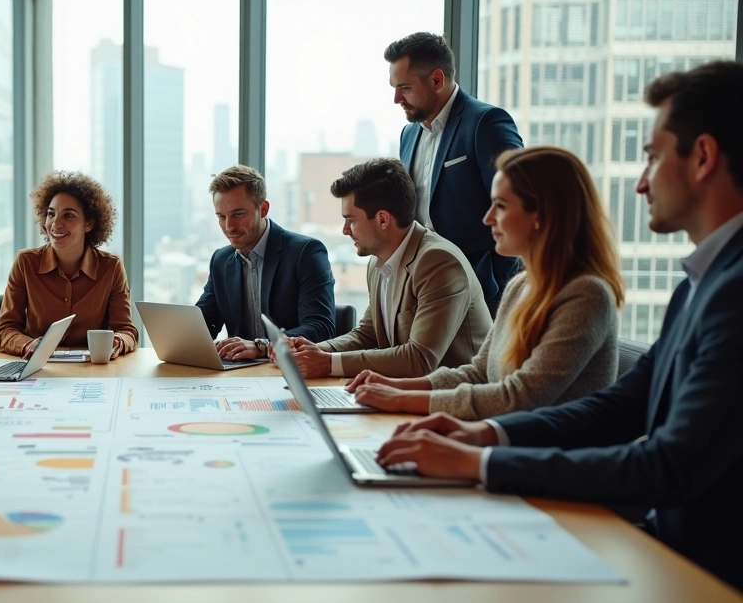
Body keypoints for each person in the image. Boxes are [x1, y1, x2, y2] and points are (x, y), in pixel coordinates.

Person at [376, 61, 743, 592]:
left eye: (653, 158)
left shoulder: (730, 291)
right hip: (669, 549)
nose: (641, 183)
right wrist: (484, 435)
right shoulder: (699, 284)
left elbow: (668, 465)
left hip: (703, 574)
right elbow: (621, 408)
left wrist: (481, 463)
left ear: (703, 157)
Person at [346, 147, 624, 418]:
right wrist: (393, 386)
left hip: (548, 459)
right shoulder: (521, 286)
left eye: (501, 206)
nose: (488, 218)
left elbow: (519, 397)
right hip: (510, 446)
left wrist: (404, 399)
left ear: (541, 215)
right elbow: (478, 373)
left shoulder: (587, 294)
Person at [279, 158, 491, 379]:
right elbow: (368, 333)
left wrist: (328, 364)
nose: (345, 230)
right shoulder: (378, 260)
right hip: (405, 393)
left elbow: (419, 359)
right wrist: (315, 350)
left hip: (457, 401)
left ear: (382, 219)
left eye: (351, 220)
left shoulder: (438, 262)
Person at [386, 32, 524, 315]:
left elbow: (520, 204)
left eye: (405, 88)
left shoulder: (486, 122)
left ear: (437, 79)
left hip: (483, 291)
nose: (396, 98)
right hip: (424, 289)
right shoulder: (408, 134)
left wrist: (497, 283)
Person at [0, 171, 138, 358]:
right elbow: (4, 330)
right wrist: (28, 345)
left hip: (92, 369)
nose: (55, 224)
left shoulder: (111, 268)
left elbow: (127, 330)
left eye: (68, 216)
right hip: (39, 370)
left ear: (89, 224)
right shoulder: (25, 263)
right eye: (51, 214)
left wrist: (117, 342)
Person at [197, 164, 336, 361]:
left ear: (263, 209)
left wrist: (261, 346)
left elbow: (320, 326)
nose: (229, 227)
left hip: (289, 370)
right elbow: (203, 324)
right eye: (221, 216)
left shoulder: (306, 252)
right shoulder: (221, 260)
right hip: (238, 374)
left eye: (238, 215)